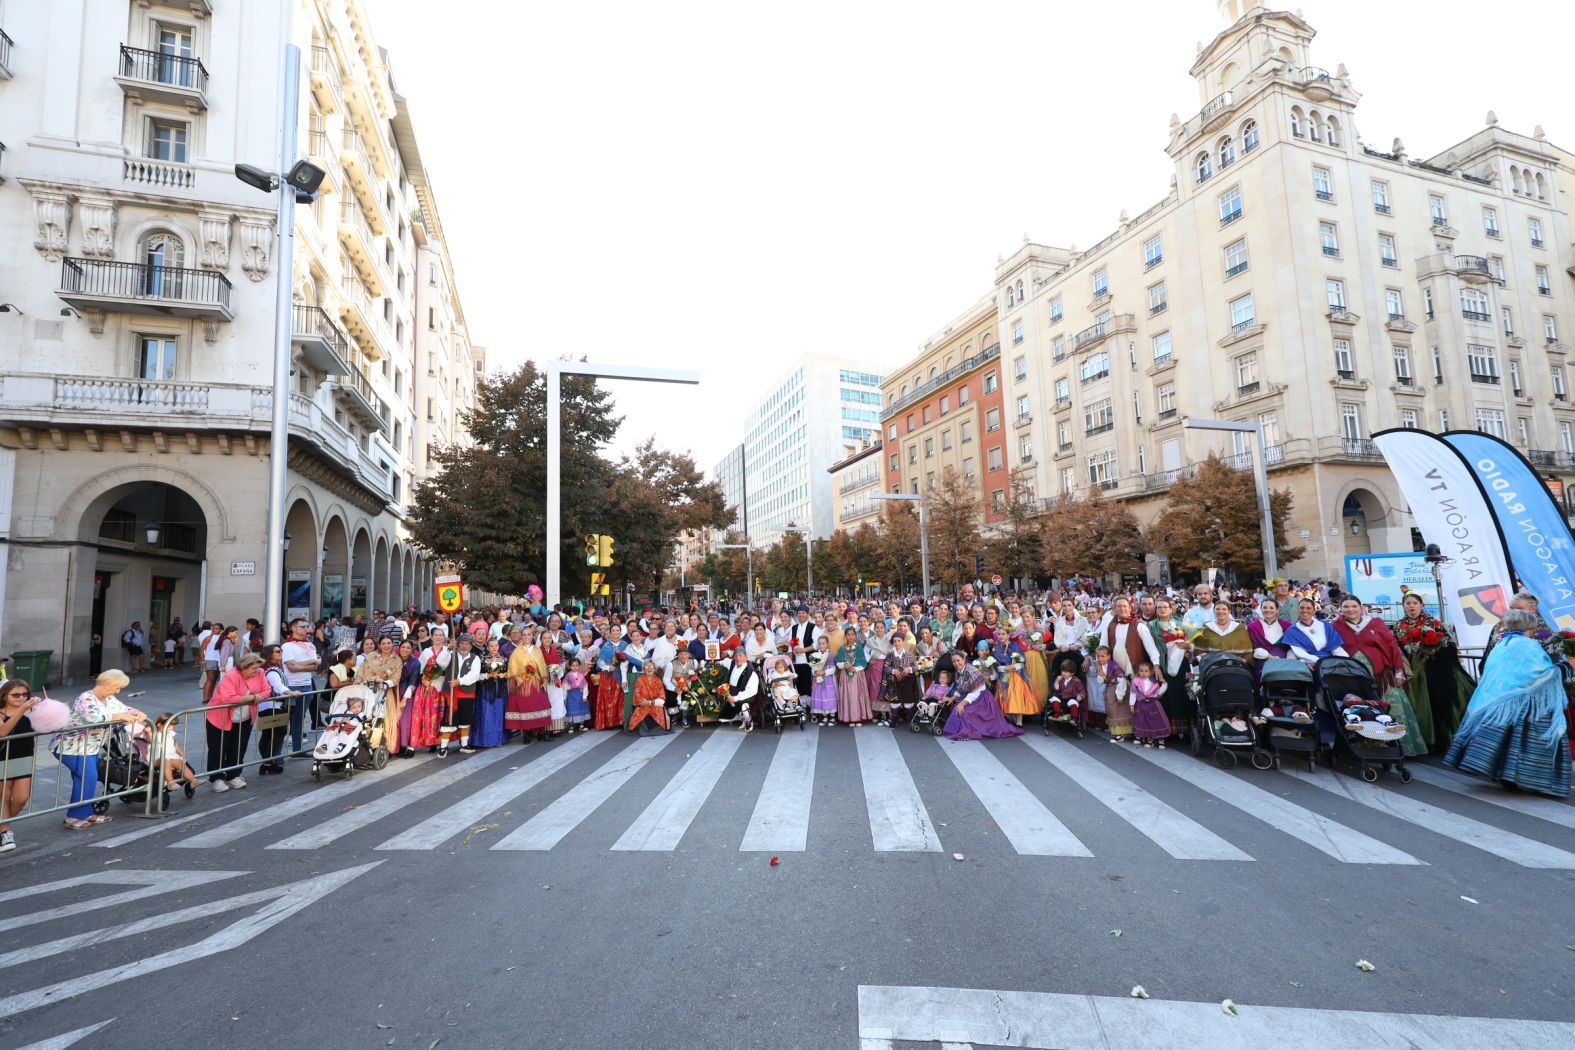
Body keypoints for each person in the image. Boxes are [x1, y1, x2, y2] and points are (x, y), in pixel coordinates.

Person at [1445, 607, 1570, 798]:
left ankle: (1507, 777)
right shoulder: (1528, 646)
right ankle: (1532, 779)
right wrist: (1567, 666)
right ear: (1530, 627)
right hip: (1523, 704)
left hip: (1497, 702)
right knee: (1532, 740)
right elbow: (1542, 676)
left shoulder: (1502, 644)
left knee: (1505, 741)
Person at [1333, 597, 1426, 757]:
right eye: (1346, 606)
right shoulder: (1335, 626)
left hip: (1383, 674)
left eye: (1354, 606)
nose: (1350, 609)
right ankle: (1366, 746)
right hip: (1352, 678)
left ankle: (1403, 748)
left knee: (1393, 706)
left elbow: (1392, 647)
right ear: (1341, 609)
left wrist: (1398, 671)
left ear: (1360, 607)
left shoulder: (1376, 623)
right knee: (1360, 709)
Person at [54, 670, 146, 829]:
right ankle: (73, 816)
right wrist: (120, 716)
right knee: (88, 777)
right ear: (107, 684)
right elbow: (94, 718)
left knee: (83, 778)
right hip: (72, 746)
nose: (118, 691)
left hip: (88, 747)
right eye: (117, 687)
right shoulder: (86, 698)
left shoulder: (108, 698)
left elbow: (123, 708)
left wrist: (135, 712)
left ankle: (86, 812)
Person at [1393, 592, 1472, 752]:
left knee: (1441, 699)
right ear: (1403, 606)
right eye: (1408, 603)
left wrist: (1434, 648)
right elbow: (1395, 649)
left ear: (1421, 605)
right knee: (1418, 703)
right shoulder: (1398, 626)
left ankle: (1444, 739)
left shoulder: (1434, 622)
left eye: (1415, 603)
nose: (1412, 606)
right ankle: (1424, 740)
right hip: (1412, 670)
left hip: (1435, 667)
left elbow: (1449, 644)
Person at [206, 653, 268, 792]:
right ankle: (217, 778)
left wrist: (254, 697)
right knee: (218, 748)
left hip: (245, 718)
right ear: (244, 667)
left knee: (239, 747)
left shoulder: (260, 673)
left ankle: (233, 775)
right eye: (253, 668)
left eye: (257, 668)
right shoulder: (232, 675)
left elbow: (267, 690)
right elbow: (228, 698)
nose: (256, 671)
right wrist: (253, 697)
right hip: (220, 718)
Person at [942, 649, 1024, 740]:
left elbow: (976, 691)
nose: (956, 663)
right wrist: (952, 698)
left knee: (965, 712)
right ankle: (957, 730)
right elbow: (960, 688)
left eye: (958, 661)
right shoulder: (958, 671)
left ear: (964, 660)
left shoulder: (972, 671)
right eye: (954, 661)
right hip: (970, 697)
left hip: (981, 699)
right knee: (955, 708)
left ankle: (968, 732)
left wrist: (963, 703)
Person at [0, 679, 39, 852]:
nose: (21, 698)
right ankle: (5, 832)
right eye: (16, 695)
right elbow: (2, 732)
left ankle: (2, 825)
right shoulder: (0, 713)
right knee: (4, 797)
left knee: (22, 797)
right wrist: (21, 710)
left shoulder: (30, 711)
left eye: (24, 694)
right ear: (4, 696)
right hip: (2, 758)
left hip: (24, 757)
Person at [280, 617, 320, 753]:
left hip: (307, 684)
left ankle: (297, 749)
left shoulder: (310, 645)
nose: (306, 629)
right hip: (291, 685)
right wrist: (308, 663)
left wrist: (299, 664)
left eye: (307, 626)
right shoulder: (287, 646)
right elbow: (291, 667)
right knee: (284, 719)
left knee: (299, 718)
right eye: (302, 626)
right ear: (294, 628)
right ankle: (276, 754)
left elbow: (315, 666)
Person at [411, 630, 452, 753]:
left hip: (442, 684)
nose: (438, 637)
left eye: (440, 635)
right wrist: (424, 679)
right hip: (428, 685)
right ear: (431, 637)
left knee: (441, 715)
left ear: (444, 637)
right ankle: (429, 740)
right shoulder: (426, 651)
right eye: (436, 635)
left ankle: (440, 740)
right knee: (428, 715)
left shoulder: (448, 650)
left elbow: (447, 667)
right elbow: (420, 668)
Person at [472, 639, 511, 749]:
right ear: (487, 647)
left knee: (499, 714)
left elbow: (510, 673)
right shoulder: (481, 660)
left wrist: (505, 674)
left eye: (496, 645)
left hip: (500, 690)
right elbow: (476, 676)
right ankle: (485, 740)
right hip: (486, 690)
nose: (494, 648)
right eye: (491, 646)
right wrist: (488, 675)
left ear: (498, 647)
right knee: (486, 714)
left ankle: (499, 739)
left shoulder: (504, 659)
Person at [1282, 598, 1345, 664]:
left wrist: (1345, 660)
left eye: (1308, 608)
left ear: (1314, 611)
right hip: (1308, 662)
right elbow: (1300, 653)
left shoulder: (1325, 626)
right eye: (1302, 608)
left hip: (1330, 661)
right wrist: (1318, 662)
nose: (1305, 610)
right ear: (1298, 610)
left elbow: (1335, 648)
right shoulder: (1292, 630)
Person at [1129, 660, 1171, 748]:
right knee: (1144, 721)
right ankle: (1149, 738)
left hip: (1153, 704)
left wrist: (1164, 683)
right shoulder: (1136, 681)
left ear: (1151, 672)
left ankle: (1161, 739)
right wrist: (1131, 704)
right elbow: (1133, 693)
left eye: (1146, 671)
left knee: (1157, 721)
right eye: (1141, 671)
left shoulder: (1154, 682)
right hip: (1141, 704)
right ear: (1138, 671)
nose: (1143, 673)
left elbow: (1160, 692)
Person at [836, 627, 872, 726]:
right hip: (846, 676)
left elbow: (863, 662)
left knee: (858, 695)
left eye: (852, 634)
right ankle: (850, 718)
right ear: (845, 636)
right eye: (848, 634)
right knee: (848, 696)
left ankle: (859, 717)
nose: (850, 637)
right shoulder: (842, 649)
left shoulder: (859, 648)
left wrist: (855, 668)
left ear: (855, 636)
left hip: (857, 676)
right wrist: (844, 665)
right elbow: (838, 662)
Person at [721, 648, 760, 731]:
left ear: (746, 657)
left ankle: (749, 720)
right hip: (733, 693)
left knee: (743, 706)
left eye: (740, 655)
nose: (738, 658)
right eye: (736, 656)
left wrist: (735, 698)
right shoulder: (733, 664)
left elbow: (751, 691)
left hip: (748, 696)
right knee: (726, 713)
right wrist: (718, 662)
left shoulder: (751, 672)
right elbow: (726, 662)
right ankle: (743, 719)